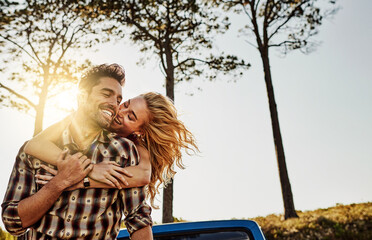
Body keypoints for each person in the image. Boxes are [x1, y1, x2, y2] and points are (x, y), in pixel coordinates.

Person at [2, 64, 153, 239]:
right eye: (106, 94)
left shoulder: (124, 152)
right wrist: (60, 182)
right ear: (82, 96)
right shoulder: (36, 150)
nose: (115, 106)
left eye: (119, 100)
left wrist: (82, 177)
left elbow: (138, 218)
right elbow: (12, 222)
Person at [25, 91, 199, 209]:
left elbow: (143, 174)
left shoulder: (133, 145)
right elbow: (32, 145)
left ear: (139, 131)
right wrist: (92, 169)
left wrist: (78, 181)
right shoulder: (85, 118)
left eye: (130, 116)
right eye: (125, 105)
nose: (120, 112)